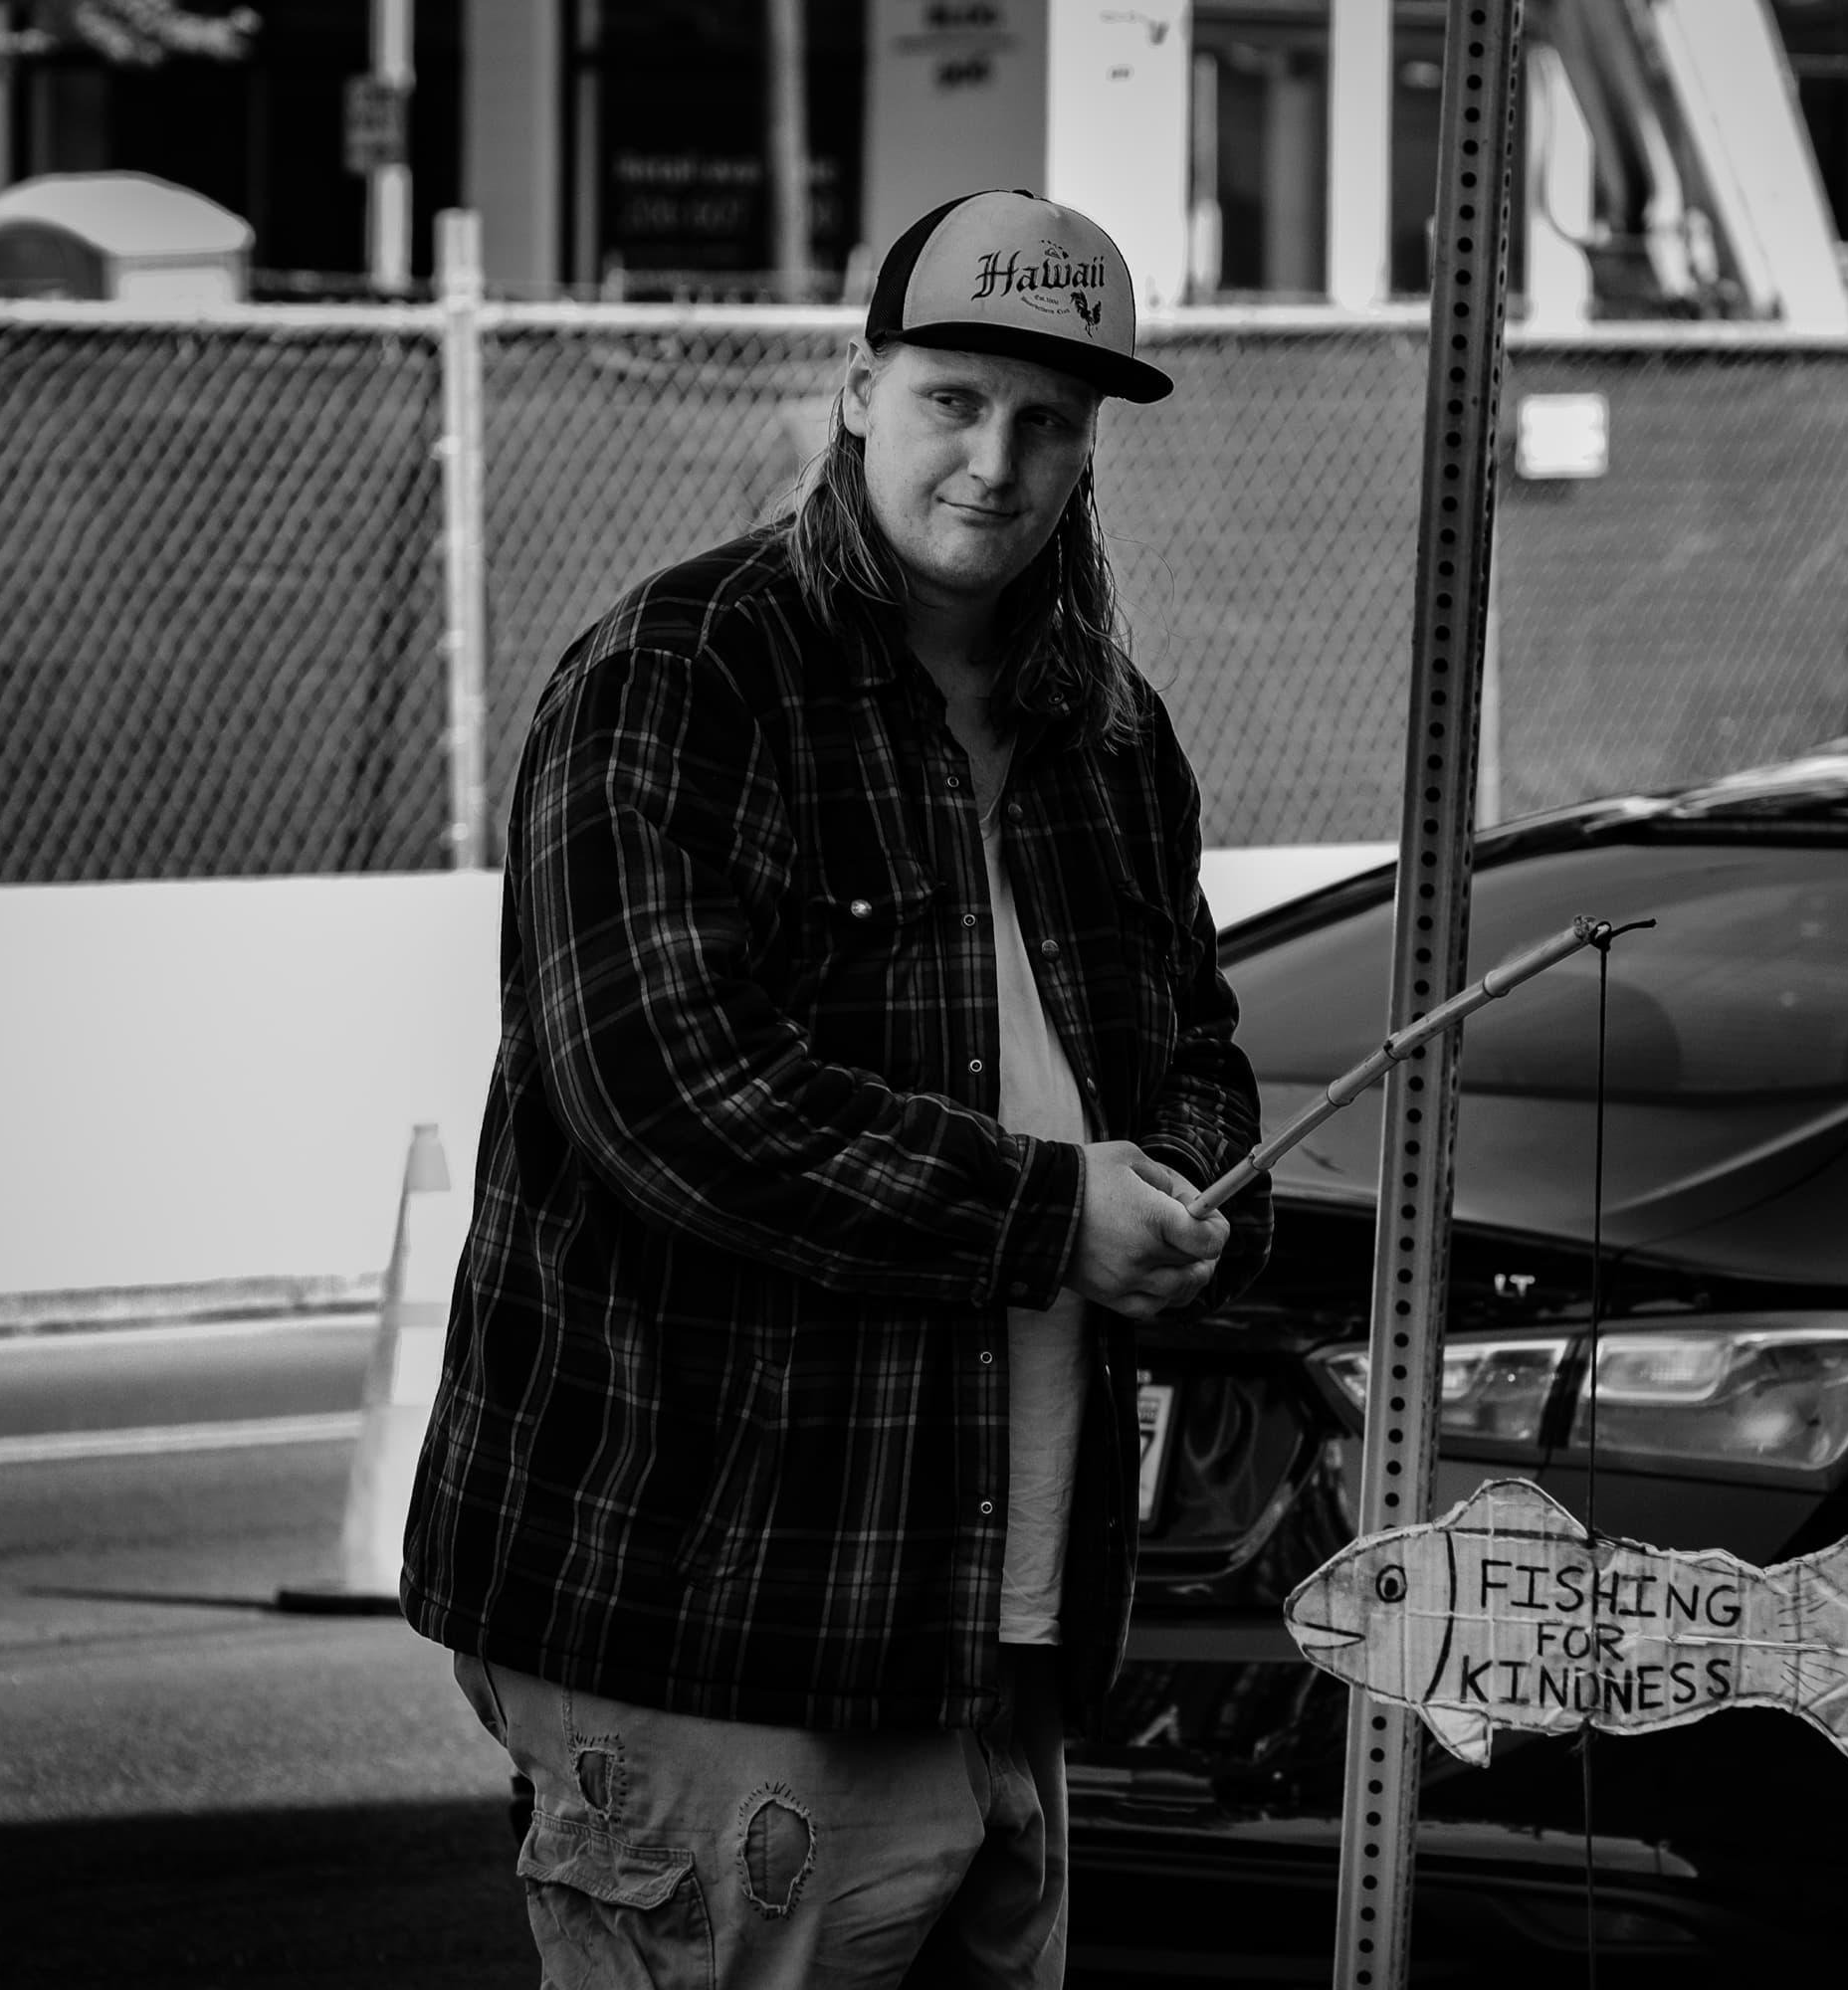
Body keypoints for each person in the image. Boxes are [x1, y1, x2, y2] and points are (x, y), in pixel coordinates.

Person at [403, 188, 1272, 1989]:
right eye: (955, 399)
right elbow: (668, 1092)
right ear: (861, 389)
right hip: (719, 1611)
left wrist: (1189, 1194)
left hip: (999, 1623)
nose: (997, 462)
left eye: (1048, 421)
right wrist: (1054, 1214)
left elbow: (1195, 1046)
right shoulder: (682, 673)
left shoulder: (1111, 731)